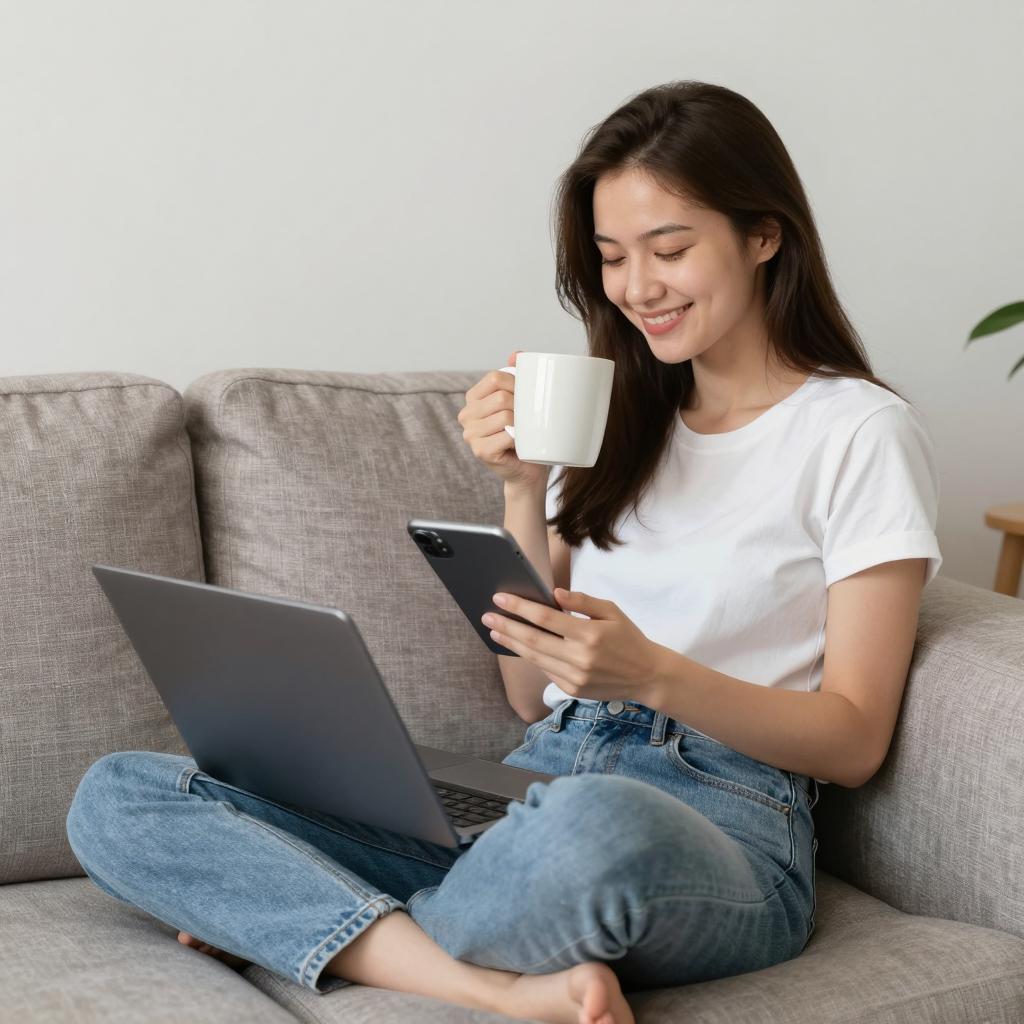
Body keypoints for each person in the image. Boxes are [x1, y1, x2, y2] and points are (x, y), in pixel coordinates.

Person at [65, 80, 941, 1024]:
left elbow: (853, 740)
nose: (637, 287)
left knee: (592, 826)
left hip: (713, 819)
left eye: (671, 249)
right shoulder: (618, 420)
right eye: (611, 258)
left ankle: (298, 924)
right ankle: (481, 982)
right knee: (121, 791)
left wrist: (652, 676)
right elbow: (530, 696)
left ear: (764, 235)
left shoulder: (856, 431)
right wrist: (523, 486)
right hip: (535, 781)